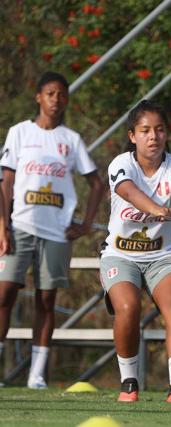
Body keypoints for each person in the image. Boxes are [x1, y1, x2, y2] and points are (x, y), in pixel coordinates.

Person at [0, 71, 104, 389]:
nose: (56, 100)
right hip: (19, 226)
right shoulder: (19, 133)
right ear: (38, 97)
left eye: (61, 94)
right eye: (49, 93)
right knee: (5, 294)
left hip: (57, 233)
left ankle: (37, 374)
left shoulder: (71, 140)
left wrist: (86, 224)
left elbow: (96, 183)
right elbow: (6, 182)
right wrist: (3, 226)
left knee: (46, 300)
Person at [100, 100, 171, 403]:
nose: (153, 136)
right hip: (120, 255)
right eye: (145, 131)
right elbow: (128, 191)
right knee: (128, 309)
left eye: (159, 130)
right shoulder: (121, 164)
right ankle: (129, 382)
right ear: (133, 136)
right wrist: (155, 208)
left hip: (162, 255)